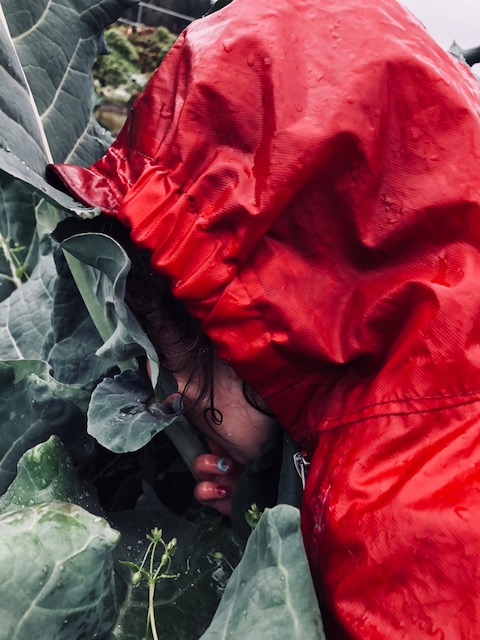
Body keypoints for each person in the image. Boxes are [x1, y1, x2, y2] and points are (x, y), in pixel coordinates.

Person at [47, 0, 480, 636]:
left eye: (161, 349)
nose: (164, 391)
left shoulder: (412, 535)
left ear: (230, 315)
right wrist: (290, 476)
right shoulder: (417, 416)